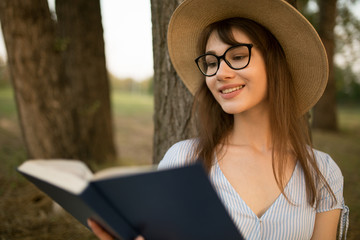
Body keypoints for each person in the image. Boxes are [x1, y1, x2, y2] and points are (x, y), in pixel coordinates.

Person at [89, 0, 349, 239]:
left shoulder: (322, 173)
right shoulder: (182, 161)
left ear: (274, 64)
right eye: (211, 63)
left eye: (237, 57)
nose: (220, 73)